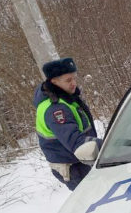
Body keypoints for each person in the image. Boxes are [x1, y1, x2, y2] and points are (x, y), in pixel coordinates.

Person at [33, 58, 102, 191]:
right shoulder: (55, 109)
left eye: (74, 78)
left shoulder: (66, 98)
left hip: (82, 159)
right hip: (73, 167)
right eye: (68, 80)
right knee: (95, 200)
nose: (74, 83)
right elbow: (75, 141)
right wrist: (107, 147)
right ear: (54, 81)